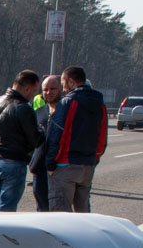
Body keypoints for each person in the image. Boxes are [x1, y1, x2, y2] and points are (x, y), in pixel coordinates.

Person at [45, 65, 107, 212]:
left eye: (63, 82)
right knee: (83, 213)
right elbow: (102, 135)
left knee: (60, 214)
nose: (63, 87)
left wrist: (50, 163)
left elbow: (57, 133)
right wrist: (95, 158)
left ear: (71, 82)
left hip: (66, 164)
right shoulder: (100, 104)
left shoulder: (68, 101)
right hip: (88, 165)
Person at [0, 69, 42, 212]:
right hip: (13, 162)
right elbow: (35, 140)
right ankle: (1, 234)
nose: (32, 95)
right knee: (7, 209)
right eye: (33, 91)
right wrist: (42, 131)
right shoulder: (23, 108)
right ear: (27, 88)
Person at [29, 75, 63, 211]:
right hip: (39, 170)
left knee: (59, 211)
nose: (49, 92)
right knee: (41, 209)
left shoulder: (66, 112)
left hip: (60, 170)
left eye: (53, 89)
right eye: (45, 89)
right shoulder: (38, 112)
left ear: (61, 88)